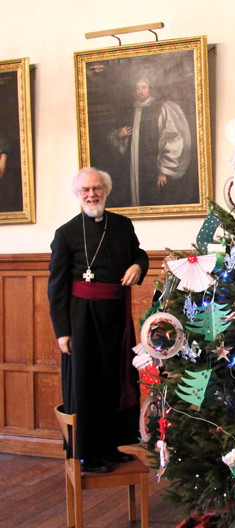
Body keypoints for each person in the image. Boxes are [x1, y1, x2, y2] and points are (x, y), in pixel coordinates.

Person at [48, 167, 149, 472]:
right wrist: (62, 331)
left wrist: (137, 266)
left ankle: (111, 446)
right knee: (87, 385)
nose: (92, 194)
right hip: (82, 319)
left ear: (106, 190)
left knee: (114, 383)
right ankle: (87, 454)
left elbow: (140, 255)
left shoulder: (121, 225)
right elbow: (57, 285)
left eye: (97, 189)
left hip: (116, 319)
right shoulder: (65, 233)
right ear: (78, 195)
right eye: (85, 190)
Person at [108, 76, 192, 207]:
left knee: (154, 199)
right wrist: (119, 135)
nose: (140, 91)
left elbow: (173, 140)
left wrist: (164, 170)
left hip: (154, 169)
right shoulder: (130, 111)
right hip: (132, 169)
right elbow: (119, 144)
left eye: (143, 87)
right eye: (137, 88)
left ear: (150, 89)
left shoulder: (162, 108)